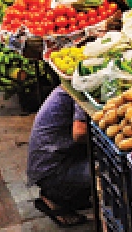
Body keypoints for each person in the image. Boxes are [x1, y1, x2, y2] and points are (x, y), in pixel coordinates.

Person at [26, 87, 92, 227]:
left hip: (53, 162)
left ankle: (63, 196)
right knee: (106, 172)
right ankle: (56, 199)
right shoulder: (82, 88)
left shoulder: (71, 85)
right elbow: (79, 133)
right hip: (53, 170)